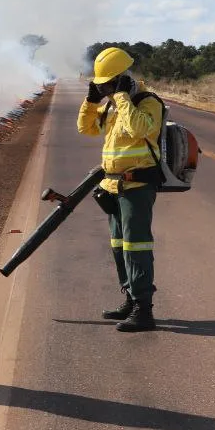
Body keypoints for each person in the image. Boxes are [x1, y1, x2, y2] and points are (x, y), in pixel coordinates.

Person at [78, 46, 164, 333]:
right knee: (119, 246)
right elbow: (86, 128)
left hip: (137, 185)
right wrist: (91, 101)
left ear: (122, 80)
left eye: (107, 85)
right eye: (100, 86)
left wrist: (124, 97)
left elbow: (140, 130)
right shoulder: (113, 106)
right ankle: (129, 298)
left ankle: (144, 310)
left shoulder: (148, 102)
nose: (104, 90)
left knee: (136, 246)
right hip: (113, 185)